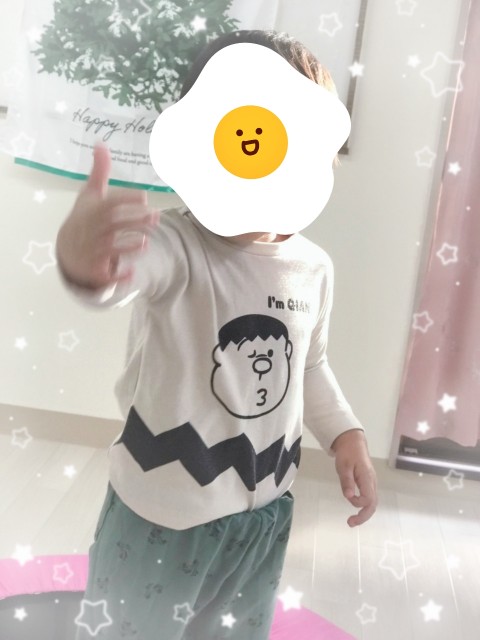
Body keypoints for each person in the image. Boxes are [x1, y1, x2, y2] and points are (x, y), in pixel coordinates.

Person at [57, 29, 377, 640]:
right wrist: (84, 261)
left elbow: (310, 364)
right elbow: (119, 277)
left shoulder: (312, 268)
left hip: (262, 514)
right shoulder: (174, 244)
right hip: (161, 514)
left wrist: (346, 432)